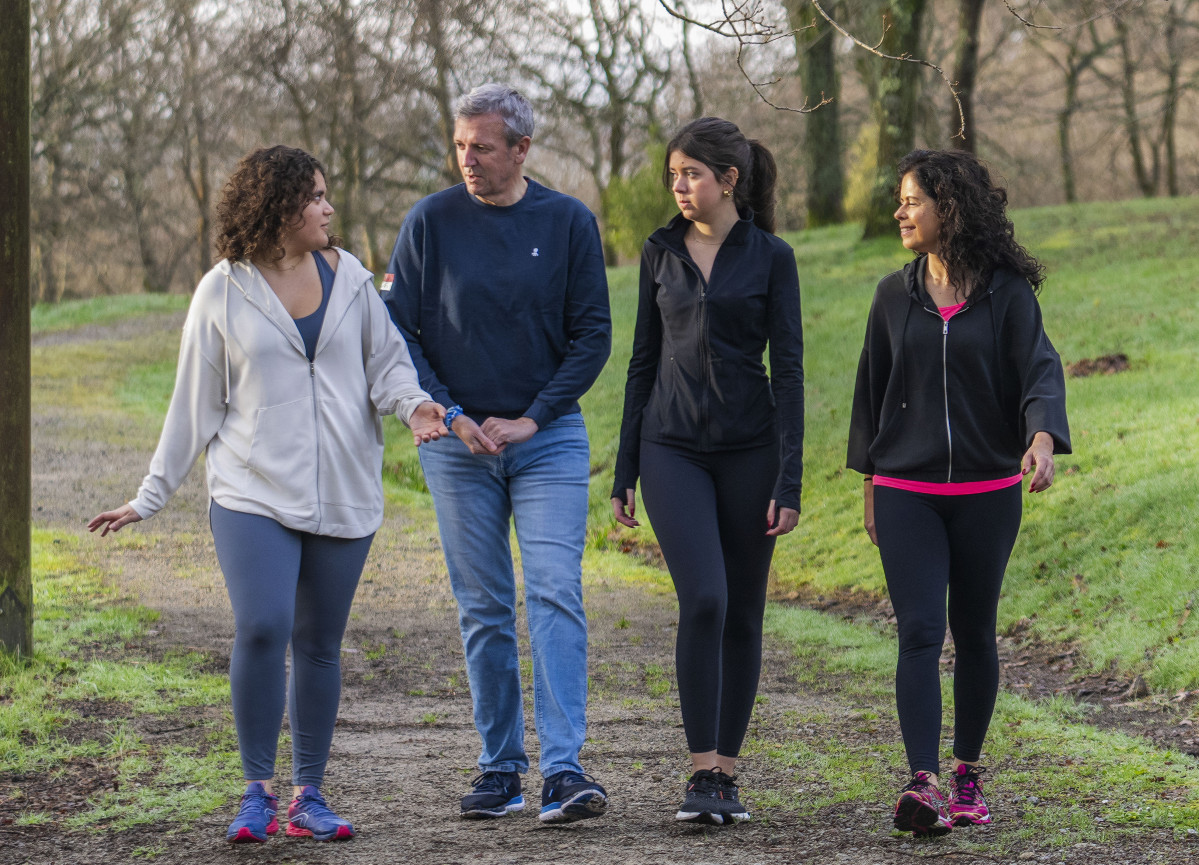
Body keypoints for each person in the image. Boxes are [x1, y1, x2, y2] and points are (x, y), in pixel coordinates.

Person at [89, 145, 447, 844]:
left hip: (344, 492)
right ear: (279, 208)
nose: (327, 208)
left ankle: (308, 795)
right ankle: (256, 790)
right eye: (314, 197)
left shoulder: (351, 281)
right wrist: (148, 496)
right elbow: (193, 404)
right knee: (261, 626)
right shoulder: (223, 290)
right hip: (251, 491)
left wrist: (414, 408)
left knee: (318, 643)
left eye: (325, 195)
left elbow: (388, 369)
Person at [382, 84, 612, 823]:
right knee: (482, 605)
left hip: (547, 440)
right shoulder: (430, 222)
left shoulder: (569, 222)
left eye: (483, 146)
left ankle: (565, 768)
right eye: (460, 145)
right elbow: (399, 335)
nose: (469, 159)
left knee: (552, 589)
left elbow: (592, 336)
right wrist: (449, 414)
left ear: (521, 148)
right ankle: (500, 767)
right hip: (456, 446)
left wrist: (532, 417)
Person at [847, 149, 1071, 836]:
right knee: (917, 630)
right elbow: (869, 394)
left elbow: (1039, 372)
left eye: (910, 200)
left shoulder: (1005, 293)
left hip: (986, 487)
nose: (899, 212)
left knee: (972, 631)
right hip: (905, 487)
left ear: (949, 206)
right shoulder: (893, 294)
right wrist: (868, 482)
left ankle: (965, 769)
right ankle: (922, 782)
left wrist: (1040, 438)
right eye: (899, 200)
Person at [610, 117, 805, 826]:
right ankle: (699, 770)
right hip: (672, 448)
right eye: (672, 175)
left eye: (690, 173)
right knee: (704, 600)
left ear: (728, 179)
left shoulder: (771, 257)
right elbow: (640, 359)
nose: (679, 186)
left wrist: (790, 478)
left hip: (751, 451)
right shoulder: (659, 251)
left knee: (743, 611)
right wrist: (624, 466)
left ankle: (726, 772)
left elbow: (788, 370)